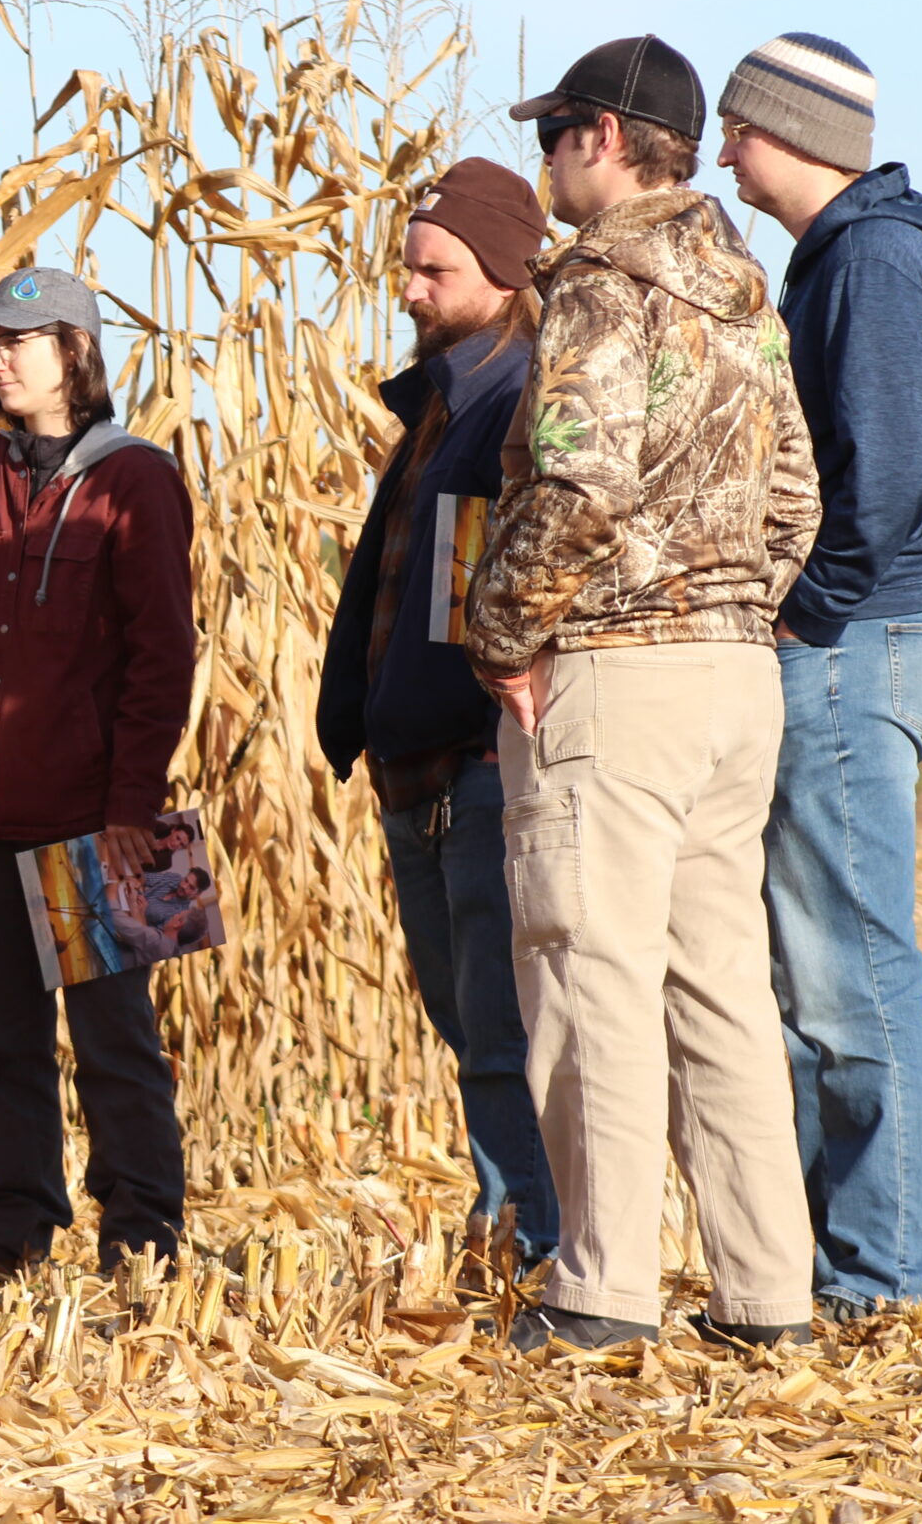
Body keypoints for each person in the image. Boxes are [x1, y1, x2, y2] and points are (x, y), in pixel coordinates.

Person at [472, 36, 824, 1352]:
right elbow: (797, 493)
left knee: (590, 981)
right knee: (720, 989)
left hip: (614, 678)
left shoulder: (602, 285)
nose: (546, 150)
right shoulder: (744, 295)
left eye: (557, 125)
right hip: (739, 679)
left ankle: (602, 1292)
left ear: (606, 137)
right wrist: (733, 606)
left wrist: (502, 633)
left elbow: (578, 482)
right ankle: (766, 1295)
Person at [717, 35, 922, 1321]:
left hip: (851, 637)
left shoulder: (869, 263)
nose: (722, 154)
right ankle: (851, 1261)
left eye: (739, 130)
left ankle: (879, 1274)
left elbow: (881, 481)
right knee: (820, 964)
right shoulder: (859, 256)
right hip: (863, 631)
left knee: (846, 968)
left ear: (796, 131)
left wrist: (798, 621)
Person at [0, 266, 197, 1280]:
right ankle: (17, 1226)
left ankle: (142, 1233)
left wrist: (130, 806)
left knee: (114, 1041)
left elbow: (163, 657)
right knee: (2, 1043)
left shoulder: (136, 480)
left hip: (91, 818)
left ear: (71, 352)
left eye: (13, 343)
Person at [317, 157, 560, 1281]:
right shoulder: (440, 408)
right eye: (408, 268)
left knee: (502, 1031)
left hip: (475, 765)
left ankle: (532, 1243)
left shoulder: (513, 404)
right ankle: (516, 1225)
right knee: (467, 1023)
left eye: (434, 271)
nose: (408, 290)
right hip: (415, 768)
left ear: (505, 274)